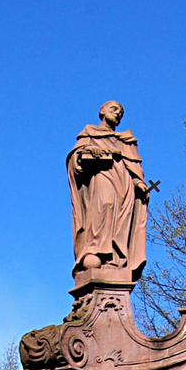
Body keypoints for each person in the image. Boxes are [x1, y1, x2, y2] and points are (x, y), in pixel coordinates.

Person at [68, 101, 151, 279]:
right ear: (102, 111)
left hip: (125, 184)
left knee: (122, 220)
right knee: (104, 206)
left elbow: (134, 166)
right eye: (114, 109)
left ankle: (115, 258)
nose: (118, 113)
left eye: (121, 112)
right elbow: (76, 160)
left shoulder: (126, 140)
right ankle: (95, 251)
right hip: (103, 175)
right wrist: (90, 153)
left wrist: (139, 182)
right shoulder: (90, 133)